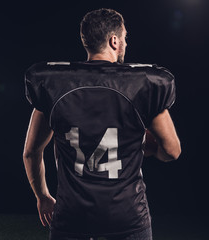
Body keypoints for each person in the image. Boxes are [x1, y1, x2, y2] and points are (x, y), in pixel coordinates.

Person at [23, 8, 181, 240]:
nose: (126, 43)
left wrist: (43, 196)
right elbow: (172, 151)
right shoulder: (143, 85)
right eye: (125, 37)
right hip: (128, 216)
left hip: (72, 217)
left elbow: (31, 152)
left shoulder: (54, 84)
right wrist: (146, 146)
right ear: (114, 40)